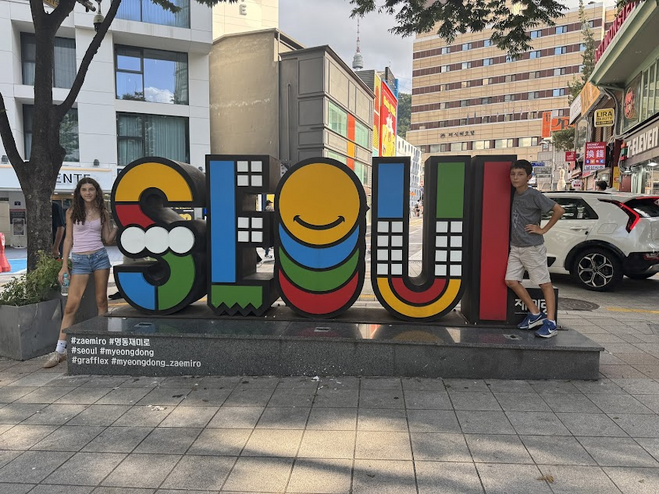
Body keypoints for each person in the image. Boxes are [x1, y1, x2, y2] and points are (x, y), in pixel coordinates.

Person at [43, 178, 117, 368]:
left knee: (101, 301)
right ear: (79, 192)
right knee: (71, 306)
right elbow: (68, 239)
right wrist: (64, 265)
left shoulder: (103, 212)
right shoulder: (71, 212)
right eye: (84, 189)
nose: (88, 192)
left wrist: (119, 225)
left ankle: (104, 343)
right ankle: (59, 351)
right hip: (80, 260)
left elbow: (108, 238)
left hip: (100, 257)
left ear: (96, 191)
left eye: (91, 189)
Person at [505, 160, 565, 338]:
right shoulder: (512, 194)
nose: (515, 177)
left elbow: (559, 210)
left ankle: (551, 322)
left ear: (529, 177)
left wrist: (543, 229)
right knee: (511, 281)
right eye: (513, 174)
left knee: (544, 283)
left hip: (532, 246)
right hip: (515, 247)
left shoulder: (534, 195)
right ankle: (534, 313)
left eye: (520, 174)